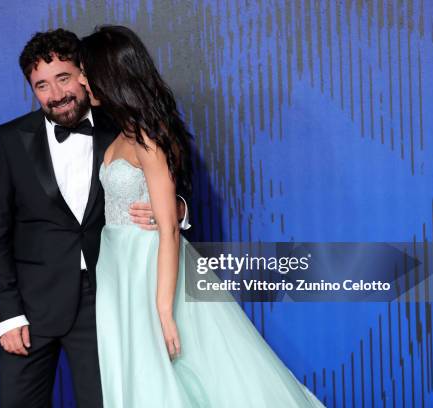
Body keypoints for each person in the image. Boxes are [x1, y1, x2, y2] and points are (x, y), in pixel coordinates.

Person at [78, 25, 325, 407]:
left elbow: (170, 231)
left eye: (86, 70)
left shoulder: (147, 138)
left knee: (181, 372)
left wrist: (163, 308)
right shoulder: (120, 135)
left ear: (110, 74)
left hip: (150, 268)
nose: (81, 79)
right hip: (118, 269)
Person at [0, 29, 189, 408]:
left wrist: (177, 210)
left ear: (83, 73)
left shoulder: (120, 127)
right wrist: (8, 314)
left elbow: (168, 191)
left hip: (106, 298)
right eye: (41, 85)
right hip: (31, 305)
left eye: (63, 78)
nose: (56, 94)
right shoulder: (10, 141)